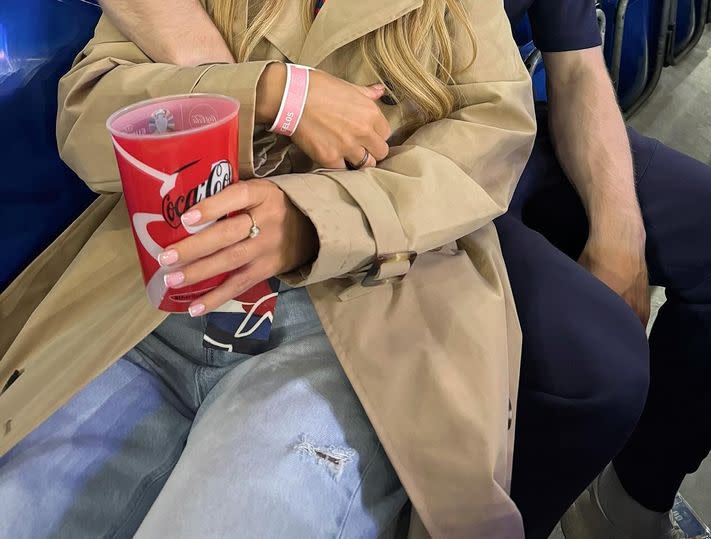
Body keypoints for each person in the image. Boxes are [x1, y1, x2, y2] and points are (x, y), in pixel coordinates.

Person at [0, 1, 536, 538]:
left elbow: (493, 135)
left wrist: (316, 220)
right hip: (150, 312)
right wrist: (271, 94)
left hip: (350, 321)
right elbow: (87, 113)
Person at [497, 0, 711, 538]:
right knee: (599, 363)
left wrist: (618, 230)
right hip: (402, 166)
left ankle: (628, 500)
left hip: (504, 135)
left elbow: (574, 65)